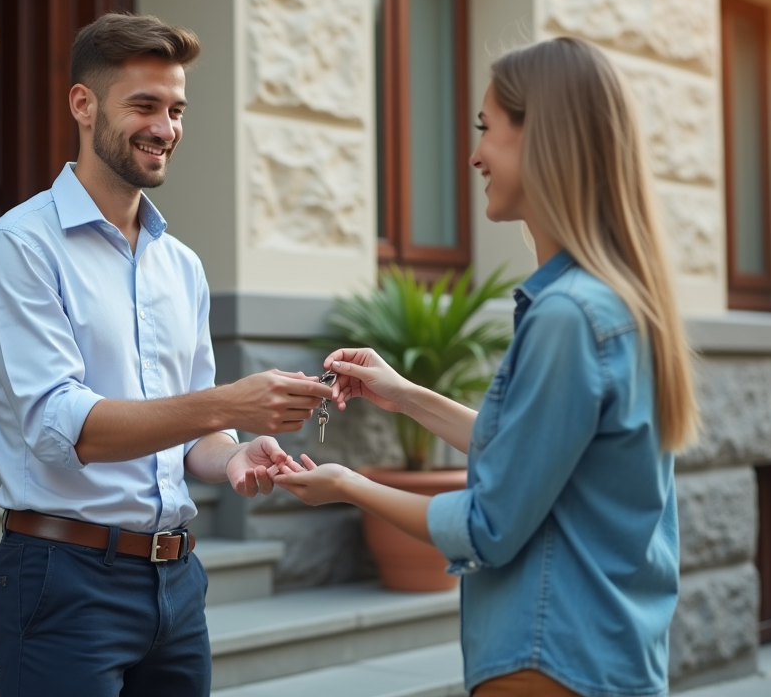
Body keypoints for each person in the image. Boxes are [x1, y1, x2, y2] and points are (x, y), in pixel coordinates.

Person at [275, 37, 698, 697]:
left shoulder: (567, 316)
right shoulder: (615, 302)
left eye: (486, 130)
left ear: (544, 140)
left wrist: (348, 485)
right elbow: (537, 457)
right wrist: (406, 394)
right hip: (605, 652)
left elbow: (489, 526)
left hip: (548, 655)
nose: (473, 156)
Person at [0, 12, 332, 697]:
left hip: (177, 584)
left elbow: (198, 433)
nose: (165, 128)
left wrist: (232, 454)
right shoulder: (17, 247)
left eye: (176, 109)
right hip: (63, 578)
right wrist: (227, 402)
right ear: (84, 104)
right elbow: (59, 429)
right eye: (144, 105)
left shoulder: (182, 265)